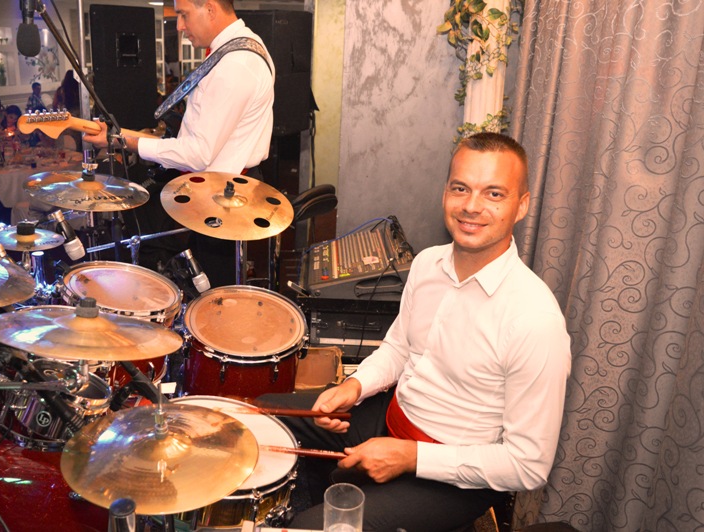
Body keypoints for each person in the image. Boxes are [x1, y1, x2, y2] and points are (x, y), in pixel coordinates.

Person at [260, 133, 573, 532]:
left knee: (311, 528)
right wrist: (354, 387)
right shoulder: (427, 264)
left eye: (494, 194)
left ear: (522, 205)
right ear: (445, 193)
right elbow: (398, 348)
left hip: (454, 474)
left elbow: (528, 465)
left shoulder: (534, 319)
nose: (471, 206)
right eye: (460, 188)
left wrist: (411, 457)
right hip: (391, 416)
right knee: (256, 414)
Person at [84, 0, 275, 284]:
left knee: (216, 295)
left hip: (225, 199)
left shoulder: (234, 66)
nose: (180, 26)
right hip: (223, 191)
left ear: (210, 8)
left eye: (184, 15)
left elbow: (197, 153)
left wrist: (127, 142)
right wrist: (120, 137)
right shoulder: (245, 45)